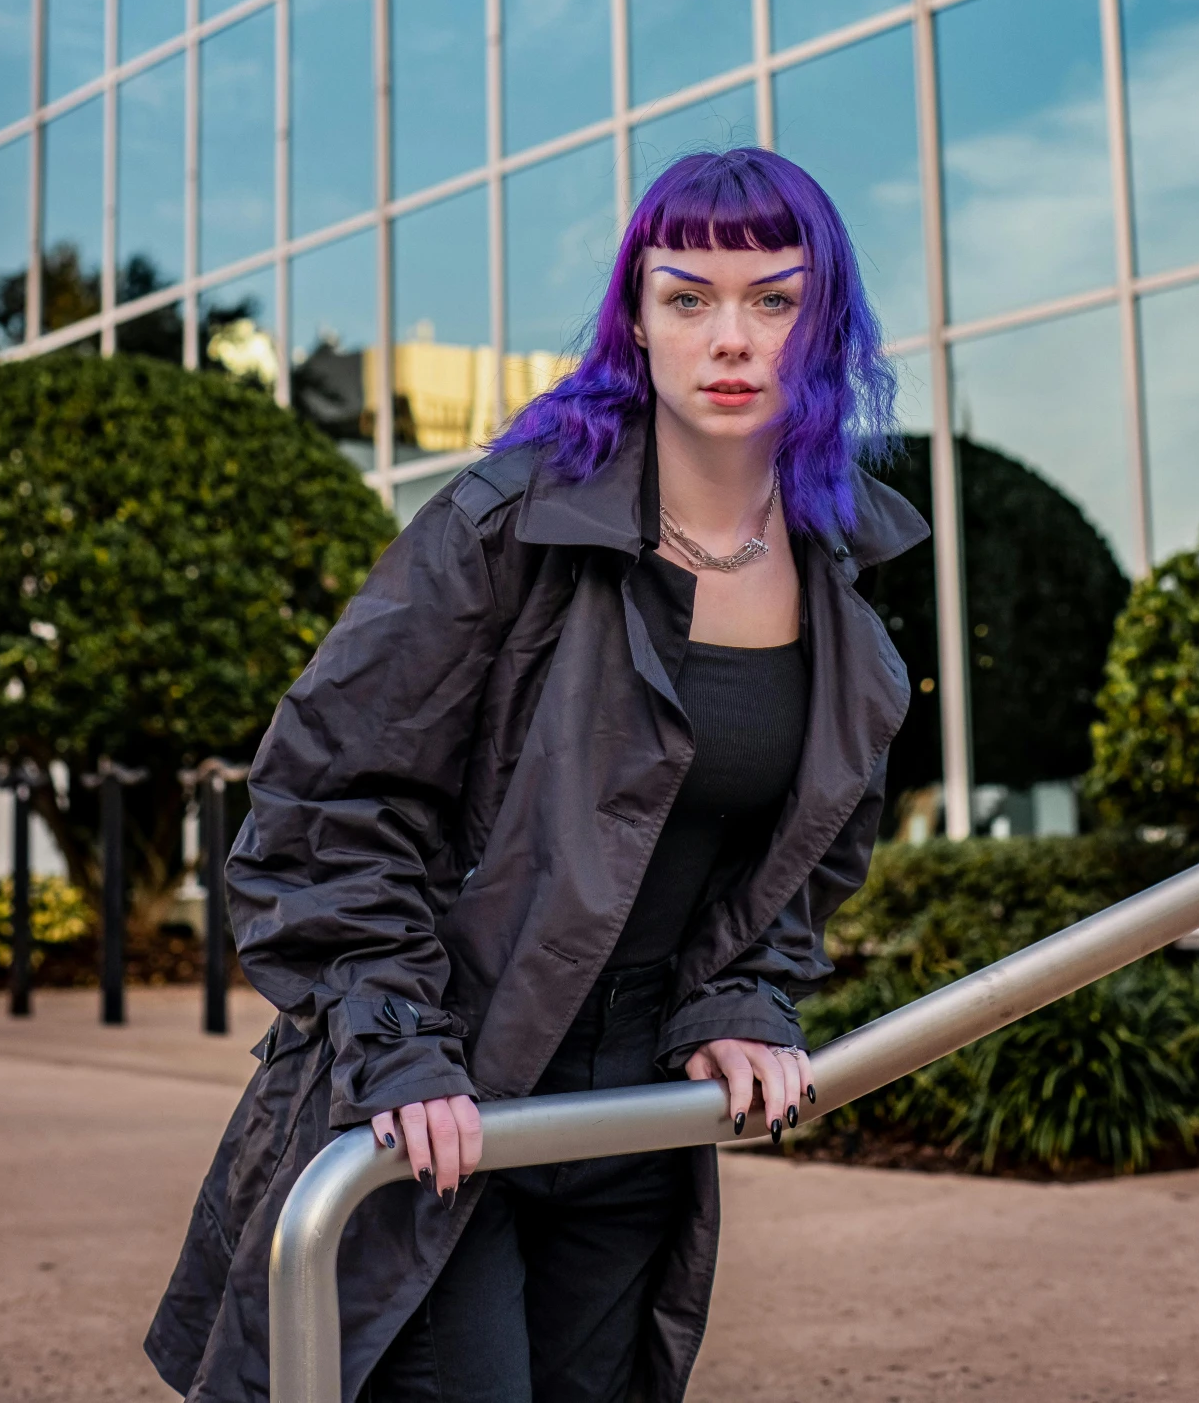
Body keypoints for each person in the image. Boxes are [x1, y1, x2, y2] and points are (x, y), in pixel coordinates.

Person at [146, 148, 928, 1403]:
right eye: (688, 298)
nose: (730, 336)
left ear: (823, 319)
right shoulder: (507, 523)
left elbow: (794, 866)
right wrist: (400, 1043)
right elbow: (324, 796)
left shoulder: (843, 598)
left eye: (772, 300)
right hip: (449, 1096)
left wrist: (739, 1003)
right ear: (635, 317)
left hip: (633, 1127)